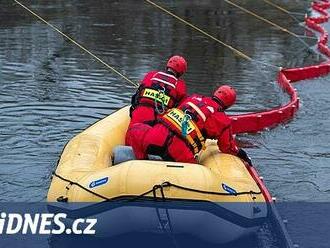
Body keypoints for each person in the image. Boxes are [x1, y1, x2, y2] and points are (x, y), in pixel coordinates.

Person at [130, 85, 252, 165]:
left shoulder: (192, 98)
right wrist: (242, 154)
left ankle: (141, 161)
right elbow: (227, 147)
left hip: (156, 136)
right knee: (198, 172)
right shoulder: (223, 120)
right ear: (229, 105)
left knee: (135, 129)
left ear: (215, 93)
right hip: (180, 151)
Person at [125, 55, 188, 146]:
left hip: (138, 116)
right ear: (181, 72)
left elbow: (136, 98)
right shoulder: (180, 85)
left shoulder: (151, 75)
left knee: (130, 141)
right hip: (157, 123)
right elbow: (179, 110)